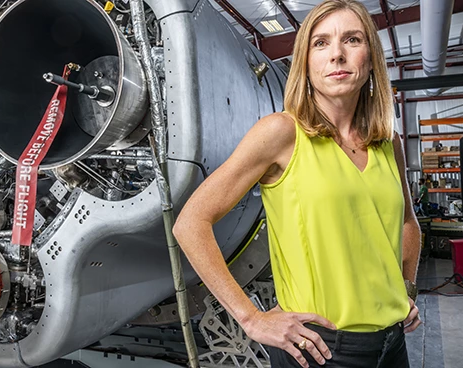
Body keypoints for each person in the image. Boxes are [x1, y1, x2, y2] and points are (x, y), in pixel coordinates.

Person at [172, 1, 421, 367]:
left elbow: (407, 224)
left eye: (352, 40)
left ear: (371, 60)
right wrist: (251, 318)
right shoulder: (282, 133)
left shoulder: (388, 144)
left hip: (393, 343)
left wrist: (407, 290)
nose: (336, 54)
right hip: (320, 348)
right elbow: (190, 223)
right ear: (305, 63)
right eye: (320, 43)